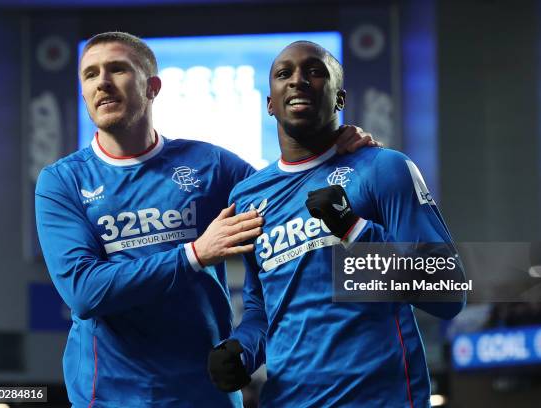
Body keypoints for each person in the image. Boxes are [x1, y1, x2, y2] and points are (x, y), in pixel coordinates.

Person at [34, 32, 376, 407]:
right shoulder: (63, 180)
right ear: (83, 92)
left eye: (117, 69)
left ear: (152, 87)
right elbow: (85, 291)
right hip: (111, 397)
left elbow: (290, 198)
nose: (102, 82)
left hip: (206, 394)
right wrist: (194, 254)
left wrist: (338, 146)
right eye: (90, 74)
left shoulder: (211, 166)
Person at [207, 41, 466, 407]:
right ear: (269, 103)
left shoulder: (382, 169)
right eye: (284, 74)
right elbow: (262, 312)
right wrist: (241, 350)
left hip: (379, 399)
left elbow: (447, 291)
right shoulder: (248, 197)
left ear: (339, 98)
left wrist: (355, 230)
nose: (298, 80)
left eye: (314, 71)